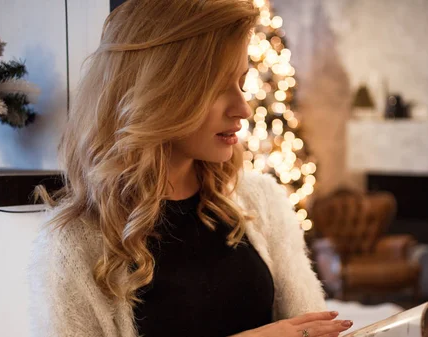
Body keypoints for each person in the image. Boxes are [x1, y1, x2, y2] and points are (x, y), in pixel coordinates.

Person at [28, 0, 354, 336]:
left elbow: (312, 328)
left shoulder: (263, 202)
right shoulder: (72, 246)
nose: (242, 108)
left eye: (242, 82)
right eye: (216, 88)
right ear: (158, 91)